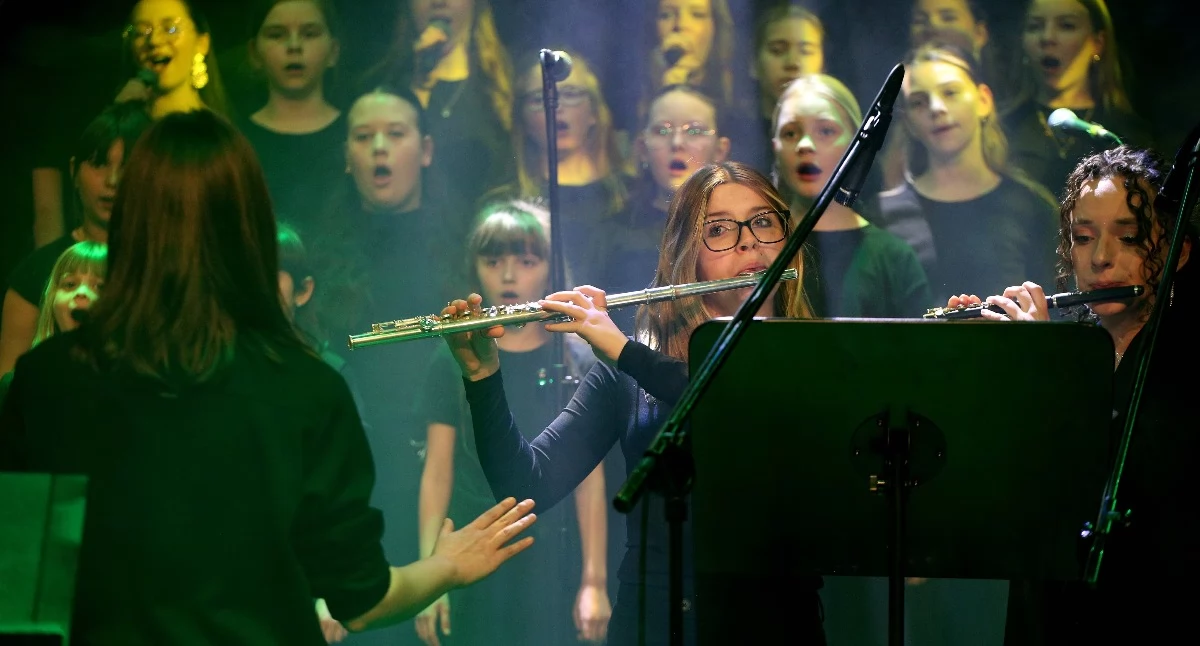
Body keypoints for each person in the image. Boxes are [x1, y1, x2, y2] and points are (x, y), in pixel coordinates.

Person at [0, 109, 537, 645]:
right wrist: (446, 566)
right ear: (249, 229)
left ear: (129, 222)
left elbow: (19, 585)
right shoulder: (307, 388)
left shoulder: (47, 377)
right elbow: (362, 601)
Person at [440, 161, 825, 645]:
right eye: (719, 229)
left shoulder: (815, 354)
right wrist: (482, 378)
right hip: (655, 620)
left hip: (778, 622)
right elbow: (525, 483)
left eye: (763, 222)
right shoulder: (628, 367)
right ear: (686, 254)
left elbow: (736, 397)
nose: (748, 242)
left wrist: (626, 353)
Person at [946, 145, 1197, 644]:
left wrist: (1044, 366)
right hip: (1047, 615)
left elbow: (1122, 487)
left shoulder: (1185, 362)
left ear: (1178, 252)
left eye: (1129, 236)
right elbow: (997, 496)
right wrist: (977, 375)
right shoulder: (1071, 348)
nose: (1101, 257)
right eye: (1083, 238)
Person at [414, 201, 610, 645]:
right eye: (493, 261)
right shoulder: (451, 357)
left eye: (525, 261)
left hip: (551, 554)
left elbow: (589, 480)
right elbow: (437, 472)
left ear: (549, 268)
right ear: (474, 267)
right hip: (472, 543)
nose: (508, 276)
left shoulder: (574, 357)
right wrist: (429, 577)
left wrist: (594, 581)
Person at [879, 42, 1059, 305]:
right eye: (919, 102)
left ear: (983, 100)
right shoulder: (884, 215)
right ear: (909, 122)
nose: (936, 108)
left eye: (950, 92)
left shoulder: (1033, 206)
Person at [1, 103, 151, 375]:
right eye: (99, 164)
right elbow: (8, 383)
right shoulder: (36, 273)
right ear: (74, 172)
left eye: (126, 167)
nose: (112, 180)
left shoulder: (166, 266)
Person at [773, 74, 931, 317]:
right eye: (790, 133)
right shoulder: (758, 246)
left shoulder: (893, 257)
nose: (805, 145)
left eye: (825, 131)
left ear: (857, 144)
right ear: (775, 146)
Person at [496, 49, 631, 288]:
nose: (556, 105)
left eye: (571, 94)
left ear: (594, 111)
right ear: (522, 118)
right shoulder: (505, 205)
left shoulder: (630, 196)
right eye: (539, 98)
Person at [1002, 0, 1151, 196]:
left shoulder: (1126, 135)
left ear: (1097, 43)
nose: (1047, 37)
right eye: (1035, 26)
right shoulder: (1001, 128)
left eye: (1066, 26)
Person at [612, 85, 730, 308]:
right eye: (662, 131)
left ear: (720, 150)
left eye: (693, 131)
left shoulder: (738, 231)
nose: (677, 143)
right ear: (642, 148)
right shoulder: (611, 236)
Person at [241, 0, 346, 230]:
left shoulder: (357, 135)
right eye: (277, 35)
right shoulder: (236, 143)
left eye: (309, 34)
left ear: (333, 51)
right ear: (254, 53)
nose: (294, 46)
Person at [0, 241, 107, 406]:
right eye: (70, 284)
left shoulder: (138, 384)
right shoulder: (20, 386)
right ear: (52, 301)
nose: (82, 292)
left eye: (100, 286)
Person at [114, 0, 232, 118]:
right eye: (141, 32)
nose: (154, 40)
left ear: (201, 44)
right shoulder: (116, 125)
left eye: (171, 29)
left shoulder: (216, 128)